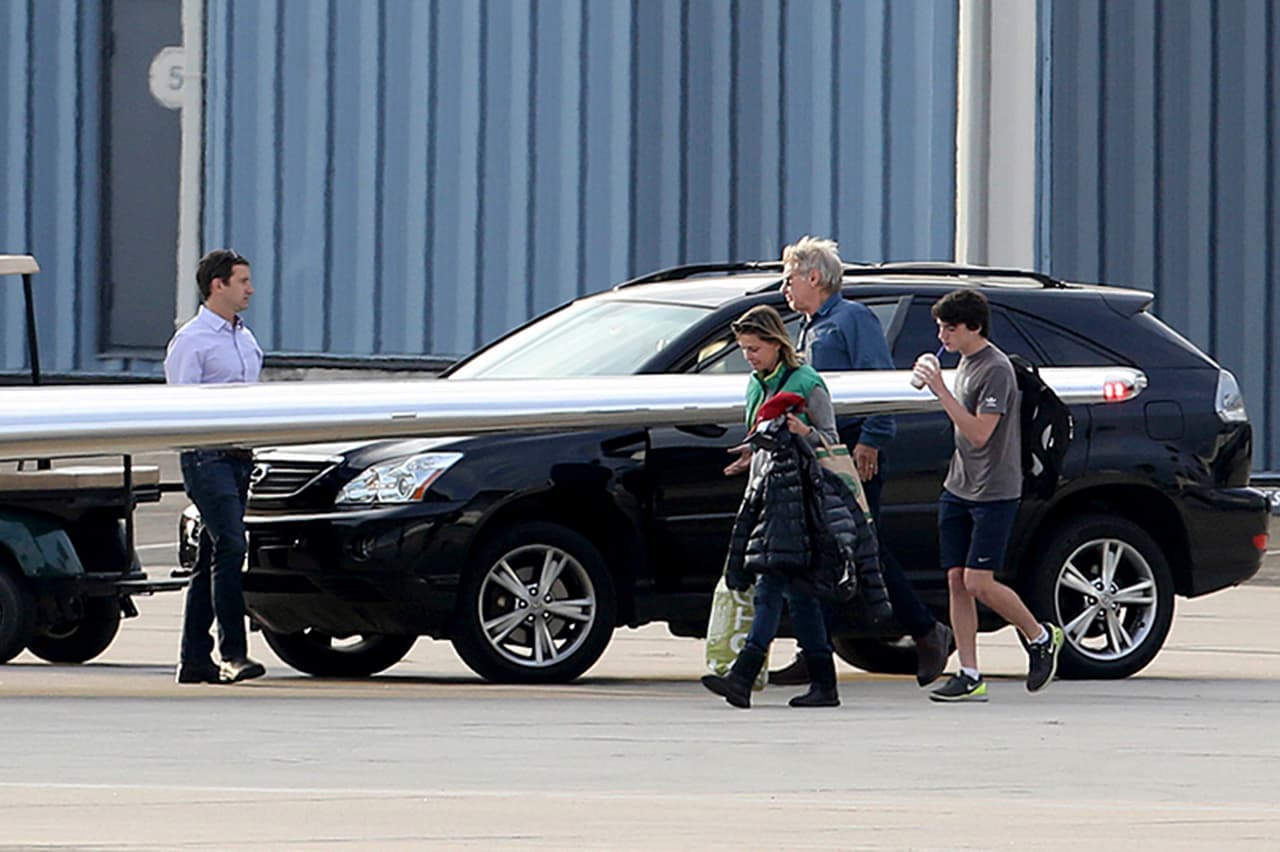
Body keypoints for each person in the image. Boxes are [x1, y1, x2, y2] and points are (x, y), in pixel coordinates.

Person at [773, 235, 953, 688]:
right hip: (819, 447)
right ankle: (815, 651)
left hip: (852, 448)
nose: (784, 289)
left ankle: (927, 630)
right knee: (825, 548)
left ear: (815, 277)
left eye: (789, 277)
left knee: (857, 544)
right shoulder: (809, 326)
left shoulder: (852, 319)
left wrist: (871, 440)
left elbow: (877, 380)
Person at [911, 289, 1063, 702]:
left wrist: (940, 390)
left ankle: (1040, 635)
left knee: (979, 582)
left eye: (950, 327)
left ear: (973, 328)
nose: (942, 335)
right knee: (956, 580)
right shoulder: (965, 362)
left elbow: (980, 434)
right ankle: (970, 672)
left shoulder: (995, 369)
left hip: (994, 490)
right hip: (959, 486)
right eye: (940, 327)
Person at [702, 305, 851, 709]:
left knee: (769, 585)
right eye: (744, 349)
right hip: (767, 497)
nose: (748, 356)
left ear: (776, 344)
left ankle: (743, 675)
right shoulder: (756, 384)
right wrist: (748, 457)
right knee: (800, 596)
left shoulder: (806, 383)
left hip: (800, 503)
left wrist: (805, 432)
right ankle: (824, 683)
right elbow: (760, 436)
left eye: (754, 348)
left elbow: (831, 440)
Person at [164, 249, 266, 685]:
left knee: (210, 557)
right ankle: (233, 652)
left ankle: (194, 658)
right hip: (207, 457)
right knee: (231, 545)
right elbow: (180, 403)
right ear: (217, 286)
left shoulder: (245, 338)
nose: (250, 289)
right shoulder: (192, 340)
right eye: (242, 281)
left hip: (240, 457)